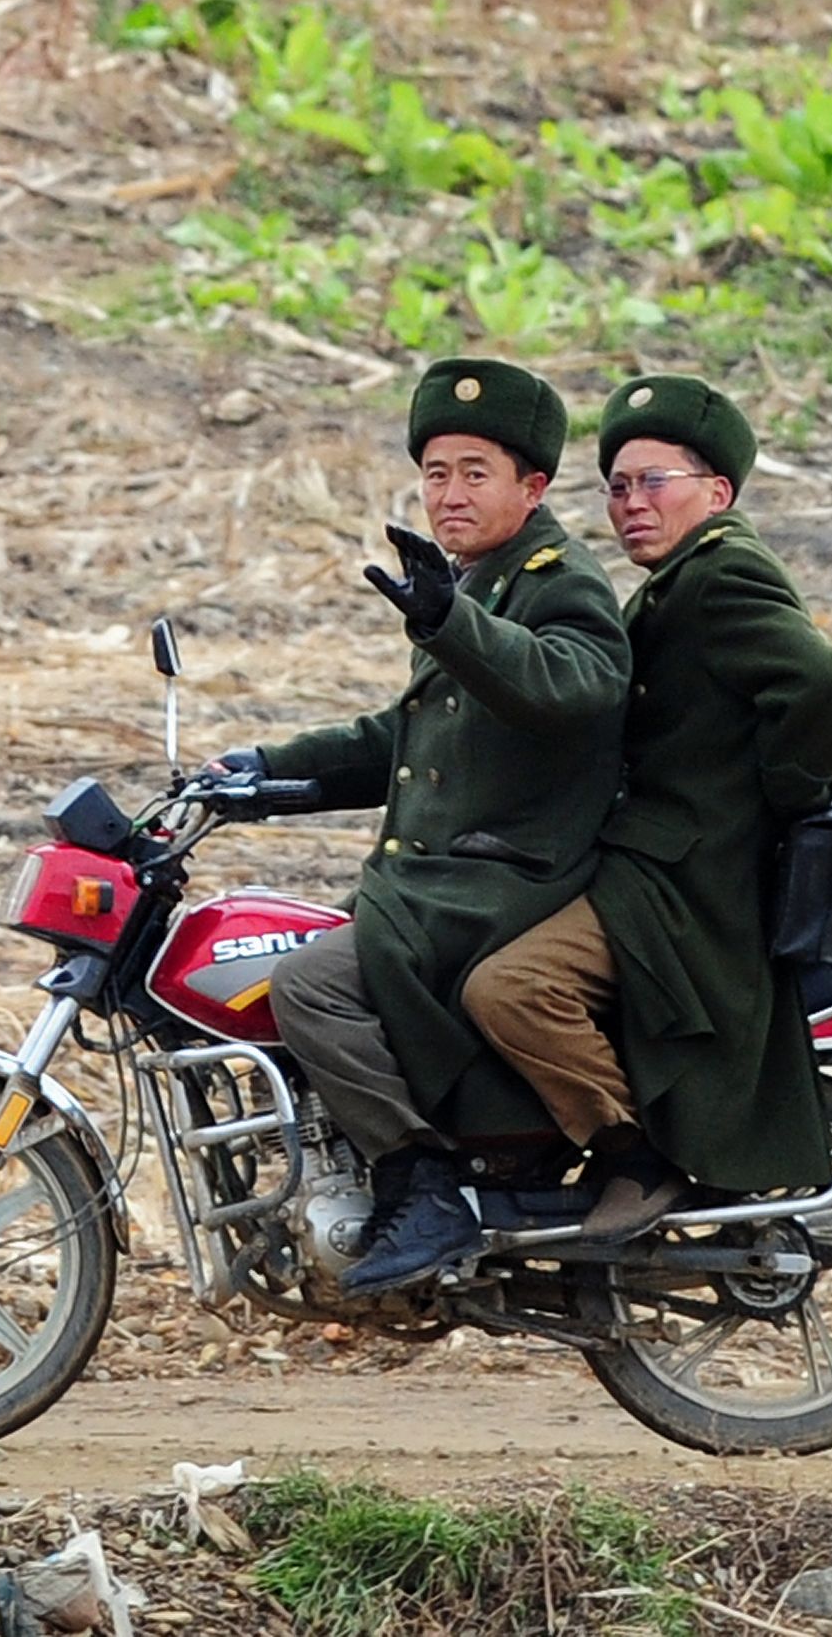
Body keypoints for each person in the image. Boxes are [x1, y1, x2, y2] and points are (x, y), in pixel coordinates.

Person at [214, 357, 631, 1296]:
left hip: (504, 887)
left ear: (533, 486)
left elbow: (575, 685)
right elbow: (406, 739)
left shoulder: (560, 581)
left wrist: (451, 623)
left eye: (476, 473)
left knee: (308, 985)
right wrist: (262, 769)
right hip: (445, 881)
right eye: (436, 473)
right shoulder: (477, 584)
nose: (449, 494)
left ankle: (422, 1184)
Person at [462, 374, 832, 1238]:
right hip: (660, 860)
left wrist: (794, 799)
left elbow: (820, 682)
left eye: (654, 482)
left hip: (689, 882)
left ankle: (631, 1157)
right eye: (617, 487)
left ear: (716, 492)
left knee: (512, 988)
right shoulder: (675, 580)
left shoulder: (722, 572)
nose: (631, 505)